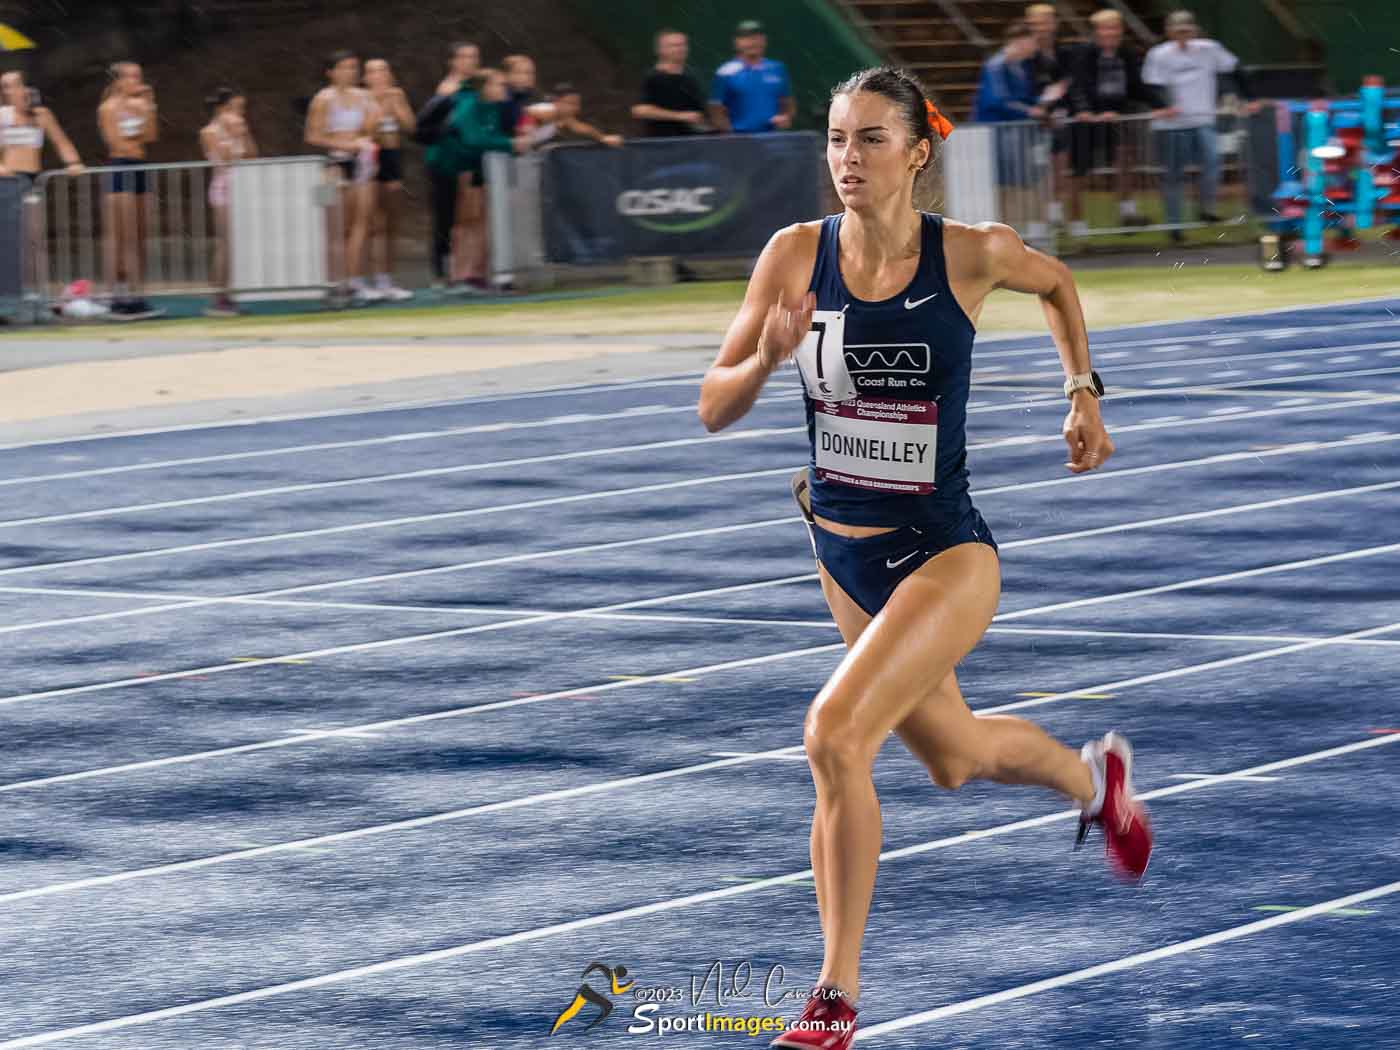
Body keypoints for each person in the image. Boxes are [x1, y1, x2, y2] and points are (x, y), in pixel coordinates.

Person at [695, 66, 1152, 1049]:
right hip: (839, 549)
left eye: (866, 139)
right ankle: (1094, 785)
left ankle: (833, 997)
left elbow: (1059, 283)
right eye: (832, 139)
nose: (845, 159)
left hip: (943, 553)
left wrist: (1082, 394)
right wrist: (768, 359)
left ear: (915, 152)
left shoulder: (972, 255)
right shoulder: (790, 256)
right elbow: (710, 406)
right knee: (953, 759)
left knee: (832, 736)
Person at [1143, 9, 1259, 243]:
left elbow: (1235, 68)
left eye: (1187, 30)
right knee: (1174, 174)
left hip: (1203, 118)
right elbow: (1150, 85)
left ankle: (1206, 208)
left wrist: (1248, 98)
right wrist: (1164, 105)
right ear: (1169, 32)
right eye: (1178, 31)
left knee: (1212, 164)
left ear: (1194, 30)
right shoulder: (1159, 54)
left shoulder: (1209, 49)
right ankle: (1174, 224)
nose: (1183, 35)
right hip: (1171, 124)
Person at [424, 67, 526, 292]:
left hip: (477, 165)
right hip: (453, 165)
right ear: (485, 87)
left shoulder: (493, 108)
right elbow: (473, 138)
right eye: (499, 84)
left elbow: (492, 135)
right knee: (465, 219)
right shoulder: (468, 104)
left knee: (480, 217)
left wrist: (511, 142)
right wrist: (509, 144)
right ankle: (459, 274)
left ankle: (476, 273)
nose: (504, 89)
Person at [1066, 9, 1156, 233]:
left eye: (1115, 27)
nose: (1110, 33)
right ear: (1096, 32)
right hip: (1087, 121)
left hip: (1118, 117)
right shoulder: (1084, 54)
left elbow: (1137, 86)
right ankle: (1077, 224)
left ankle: (1127, 213)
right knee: (1080, 172)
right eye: (1105, 28)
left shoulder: (1126, 54)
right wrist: (1086, 111)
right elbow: (1077, 86)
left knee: (1125, 160)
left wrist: (1163, 106)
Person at [304, 50, 380, 302]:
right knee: (336, 226)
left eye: (353, 67)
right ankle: (335, 281)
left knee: (362, 223)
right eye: (344, 67)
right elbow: (312, 136)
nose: (350, 72)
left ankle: (353, 280)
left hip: (361, 161)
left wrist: (368, 133)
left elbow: (371, 128)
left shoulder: (364, 96)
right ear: (331, 72)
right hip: (334, 164)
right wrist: (346, 144)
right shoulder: (323, 99)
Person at [97, 61, 162, 320]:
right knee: (123, 237)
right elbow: (117, 143)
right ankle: (118, 296)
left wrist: (150, 107)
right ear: (118, 81)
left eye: (139, 76)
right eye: (132, 77)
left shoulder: (140, 106)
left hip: (139, 165)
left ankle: (137, 294)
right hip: (120, 167)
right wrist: (134, 124)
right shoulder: (108, 107)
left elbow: (151, 136)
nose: (137, 81)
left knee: (140, 235)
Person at [418, 41, 480, 291]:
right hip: (444, 160)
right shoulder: (447, 90)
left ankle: (464, 270)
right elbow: (426, 127)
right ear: (453, 61)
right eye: (464, 57)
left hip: (467, 159)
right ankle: (440, 271)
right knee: (445, 217)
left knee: (468, 216)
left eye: (474, 56)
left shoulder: (475, 88)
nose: (470, 61)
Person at [973, 22, 1045, 223]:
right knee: (1003, 184)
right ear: (1020, 42)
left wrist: (1042, 102)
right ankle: (1003, 227)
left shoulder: (1019, 66)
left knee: (1016, 182)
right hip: (997, 133)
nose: (1036, 47)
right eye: (1033, 42)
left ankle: (1015, 227)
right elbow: (998, 100)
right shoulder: (997, 66)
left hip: (1013, 133)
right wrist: (1032, 110)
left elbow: (1023, 98)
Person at [199, 87, 257, 318]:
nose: (240, 113)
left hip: (242, 188)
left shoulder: (239, 128)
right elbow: (222, 158)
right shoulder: (209, 131)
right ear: (222, 109)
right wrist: (232, 136)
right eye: (235, 108)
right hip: (224, 189)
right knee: (225, 242)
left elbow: (252, 155)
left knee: (236, 244)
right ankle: (218, 295)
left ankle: (231, 292)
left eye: (242, 109)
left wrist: (244, 134)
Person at [364, 57, 415, 301]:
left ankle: (388, 278)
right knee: (375, 223)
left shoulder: (397, 95)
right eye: (373, 71)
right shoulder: (362, 97)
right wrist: (379, 109)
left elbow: (410, 126)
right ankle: (371, 278)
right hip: (372, 157)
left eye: (383, 70)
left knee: (392, 221)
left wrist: (395, 107)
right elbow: (365, 131)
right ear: (366, 77)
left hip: (393, 156)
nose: (379, 75)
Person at [708, 20, 795, 134]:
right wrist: (730, 134)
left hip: (772, 139)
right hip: (740, 140)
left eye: (757, 37)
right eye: (747, 38)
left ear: (764, 41)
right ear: (737, 42)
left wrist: (785, 117)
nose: (753, 42)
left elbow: (788, 102)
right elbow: (715, 110)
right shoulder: (725, 72)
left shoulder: (777, 68)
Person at [0, 71, 83, 190]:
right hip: (8, 177)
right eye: (6, 87)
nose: (13, 91)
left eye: (17, 84)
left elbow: (60, 141)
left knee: (33, 207)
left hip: (33, 177)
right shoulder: (3, 115)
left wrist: (74, 163)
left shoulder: (42, 115)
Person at [632, 28, 707, 137]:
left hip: (692, 144)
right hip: (662, 145)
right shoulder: (651, 77)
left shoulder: (691, 78)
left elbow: (698, 115)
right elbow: (639, 110)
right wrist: (679, 116)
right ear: (660, 50)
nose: (680, 49)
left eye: (683, 45)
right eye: (674, 45)